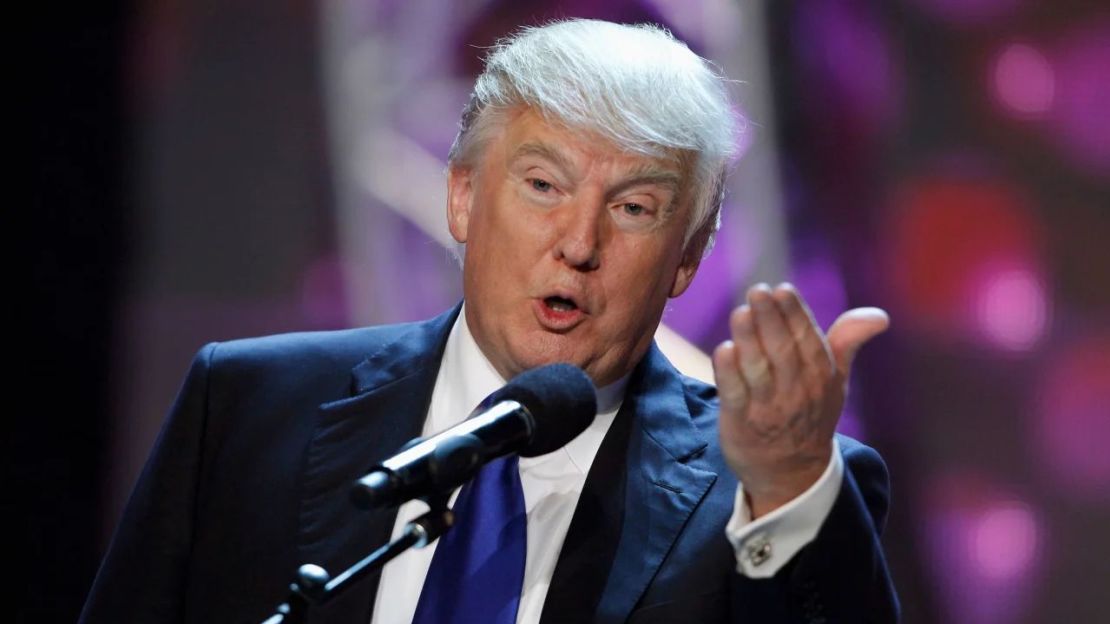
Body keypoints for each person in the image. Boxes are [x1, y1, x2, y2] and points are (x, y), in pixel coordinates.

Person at [80, 19, 898, 623]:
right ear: (462, 196)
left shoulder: (768, 486)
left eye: (636, 208)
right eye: (543, 186)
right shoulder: (248, 407)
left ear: (686, 259)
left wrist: (789, 484)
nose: (579, 244)